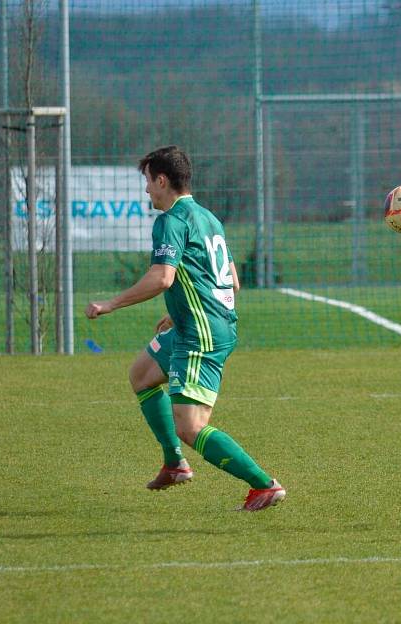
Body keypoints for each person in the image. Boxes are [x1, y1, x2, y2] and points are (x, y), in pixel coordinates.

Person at [86, 145, 285, 512]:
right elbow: (232, 282)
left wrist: (110, 304)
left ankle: (264, 485)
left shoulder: (171, 221)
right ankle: (174, 464)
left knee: (190, 426)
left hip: (202, 334)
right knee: (142, 374)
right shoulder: (208, 217)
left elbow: (162, 278)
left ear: (162, 180)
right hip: (195, 324)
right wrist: (180, 313)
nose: (146, 190)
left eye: (148, 182)